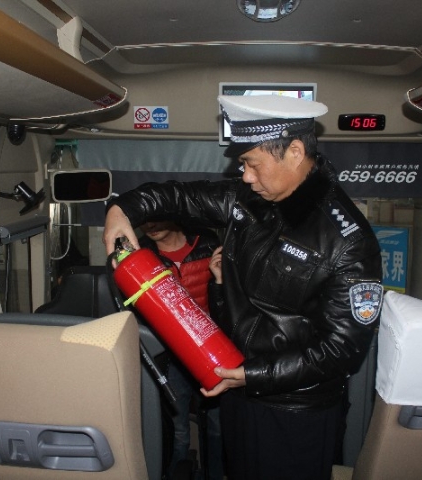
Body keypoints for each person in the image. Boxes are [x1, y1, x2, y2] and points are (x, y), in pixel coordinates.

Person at [104, 94, 383, 480]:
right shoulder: (246, 201)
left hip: (296, 411)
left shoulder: (348, 241)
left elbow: (341, 350)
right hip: (238, 390)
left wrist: (254, 374)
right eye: (243, 165)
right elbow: (179, 196)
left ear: (295, 152)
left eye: (253, 163)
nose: (246, 177)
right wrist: (121, 210)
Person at [137, 220, 224, 480]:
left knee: (216, 427)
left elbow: (231, 297)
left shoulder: (207, 244)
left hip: (210, 352)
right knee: (178, 430)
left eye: (156, 217)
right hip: (170, 355)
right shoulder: (141, 255)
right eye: (144, 220)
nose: (150, 225)